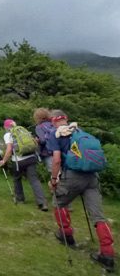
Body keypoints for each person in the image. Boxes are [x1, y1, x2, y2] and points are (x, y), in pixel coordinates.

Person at [47, 110, 115, 272]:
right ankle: (107, 253)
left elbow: (56, 160)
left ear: (53, 121)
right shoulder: (80, 132)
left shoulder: (56, 135)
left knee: (59, 201)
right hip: (92, 177)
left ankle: (67, 235)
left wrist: (54, 179)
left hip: (72, 175)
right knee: (98, 215)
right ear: (66, 119)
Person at [0, 119, 48, 211]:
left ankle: (20, 199)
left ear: (6, 127)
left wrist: (4, 161)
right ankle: (42, 203)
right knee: (34, 180)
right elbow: (34, 142)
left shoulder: (8, 134)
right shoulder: (23, 131)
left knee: (17, 179)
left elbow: (9, 149)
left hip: (18, 161)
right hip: (31, 158)